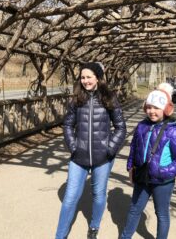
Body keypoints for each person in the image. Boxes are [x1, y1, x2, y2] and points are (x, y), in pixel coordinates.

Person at [55, 62, 126, 239]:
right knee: (70, 197)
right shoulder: (77, 99)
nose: (85, 80)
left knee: (99, 194)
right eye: (83, 77)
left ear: (98, 77)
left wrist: (110, 150)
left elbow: (120, 128)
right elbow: (68, 125)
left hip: (103, 158)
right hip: (78, 157)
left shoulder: (109, 98)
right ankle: (60, 235)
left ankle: (93, 227)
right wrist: (73, 146)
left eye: (89, 77)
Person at [121, 82, 176, 239]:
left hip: (163, 182)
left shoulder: (173, 130)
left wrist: (162, 172)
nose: (152, 111)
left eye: (157, 108)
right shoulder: (141, 126)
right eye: (149, 107)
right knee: (134, 209)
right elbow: (134, 148)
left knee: (162, 214)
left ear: (166, 109)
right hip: (142, 177)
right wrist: (130, 167)